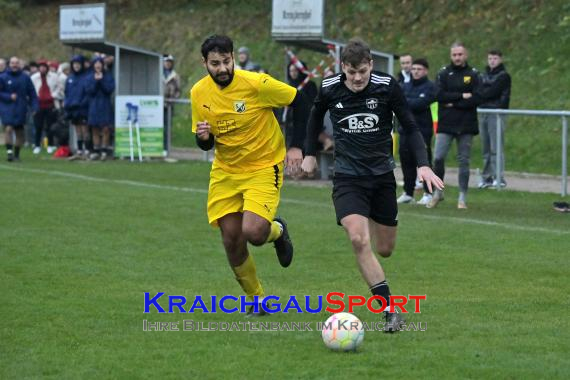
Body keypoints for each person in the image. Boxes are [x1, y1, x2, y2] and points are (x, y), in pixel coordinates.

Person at [301, 38, 443, 332]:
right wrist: (309, 154)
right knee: (358, 239)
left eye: (362, 71)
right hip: (347, 178)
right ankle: (391, 310)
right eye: (351, 72)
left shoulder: (387, 86)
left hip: (381, 178)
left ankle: (378, 231)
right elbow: (314, 118)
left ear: (370, 66)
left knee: (385, 248)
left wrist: (423, 164)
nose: (356, 78)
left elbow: (411, 126)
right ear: (343, 67)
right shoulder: (329, 88)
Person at [191, 35, 305, 316]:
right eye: (215, 63)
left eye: (226, 61)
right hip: (226, 171)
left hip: (264, 166)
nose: (222, 69)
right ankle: (257, 300)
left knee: (253, 232)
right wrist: (204, 138)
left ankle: (277, 231)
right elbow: (205, 142)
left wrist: (296, 146)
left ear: (233, 58)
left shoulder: (257, 84)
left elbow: (301, 102)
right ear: (204, 63)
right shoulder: (199, 93)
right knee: (231, 239)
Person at [428, 42, 481, 209]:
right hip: (446, 123)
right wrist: (461, 96)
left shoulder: (473, 74)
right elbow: (438, 95)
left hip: (466, 124)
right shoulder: (444, 73)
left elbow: (477, 98)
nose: (457, 57)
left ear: (466, 55)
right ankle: (438, 192)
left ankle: (462, 197)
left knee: (463, 160)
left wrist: (453, 102)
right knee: (438, 158)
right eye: (454, 55)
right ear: (451, 56)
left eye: (460, 54)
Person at [398, 58, 437, 205]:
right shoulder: (405, 86)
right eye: (413, 69)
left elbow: (421, 103)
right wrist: (408, 102)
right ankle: (408, 193)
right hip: (404, 130)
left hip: (422, 130)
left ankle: (428, 193)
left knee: (423, 162)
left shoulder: (430, 86)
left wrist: (407, 102)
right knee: (406, 161)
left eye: (419, 69)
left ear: (425, 71)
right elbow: (399, 103)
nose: (415, 71)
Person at [477, 49, 511, 189]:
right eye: (490, 58)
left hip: (496, 112)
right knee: (486, 147)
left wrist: (481, 94)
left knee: (496, 146)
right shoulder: (483, 75)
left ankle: (499, 177)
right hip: (483, 112)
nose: (492, 61)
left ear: (500, 59)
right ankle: (487, 177)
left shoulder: (504, 76)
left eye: (495, 58)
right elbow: (478, 89)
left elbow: (492, 92)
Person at [0, 56, 38, 161]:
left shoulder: (25, 77)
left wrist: (35, 106)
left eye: (16, 63)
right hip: (6, 107)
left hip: (21, 107)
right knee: (8, 128)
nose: (14, 65)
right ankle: (9, 153)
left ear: (19, 65)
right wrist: (8, 96)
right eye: (12, 63)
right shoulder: (3, 77)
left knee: (20, 132)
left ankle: (16, 154)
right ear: (9, 64)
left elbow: (32, 93)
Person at [85, 56, 115, 160]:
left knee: (106, 128)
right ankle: (96, 150)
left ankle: (104, 150)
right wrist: (96, 81)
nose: (98, 65)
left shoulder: (108, 76)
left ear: (102, 65)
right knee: (94, 128)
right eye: (96, 63)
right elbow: (89, 91)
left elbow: (109, 89)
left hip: (105, 104)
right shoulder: (89, 77)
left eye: (100, 63)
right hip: (94, 104)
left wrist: (101, 81)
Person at [30, 60, 59, 154]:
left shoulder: (54, 77)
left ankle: (50, 144)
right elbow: (31, 90)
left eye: (44, 66)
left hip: (50, 104)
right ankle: (37, 145)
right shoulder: (34, 77)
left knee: (50, 126)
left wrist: (52, 95)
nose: (42, 68)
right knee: (38, 126)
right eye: (40, 67)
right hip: (38, 105)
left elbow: (59, 88)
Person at [65, 55, 89, 159]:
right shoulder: (70, 78)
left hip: (82, 107)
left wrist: (82, 103)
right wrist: (67, 104)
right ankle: (79, 150)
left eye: (78, 64)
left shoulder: (86, 77)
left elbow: (88, 92)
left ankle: (87, 150)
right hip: (73, 108)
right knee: (77, 130)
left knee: (85, 129)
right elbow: (67, 92)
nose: (76, 66)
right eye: (74, 64)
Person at [163, 54, 181, 152]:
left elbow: (178, 90)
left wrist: (173, 100)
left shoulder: (175, 75)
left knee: (167, 127)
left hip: (169, 105)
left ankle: (166, 148)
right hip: (158, 105)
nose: (168, 64)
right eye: (166, 62)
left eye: (170, 62)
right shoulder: (158, 73)